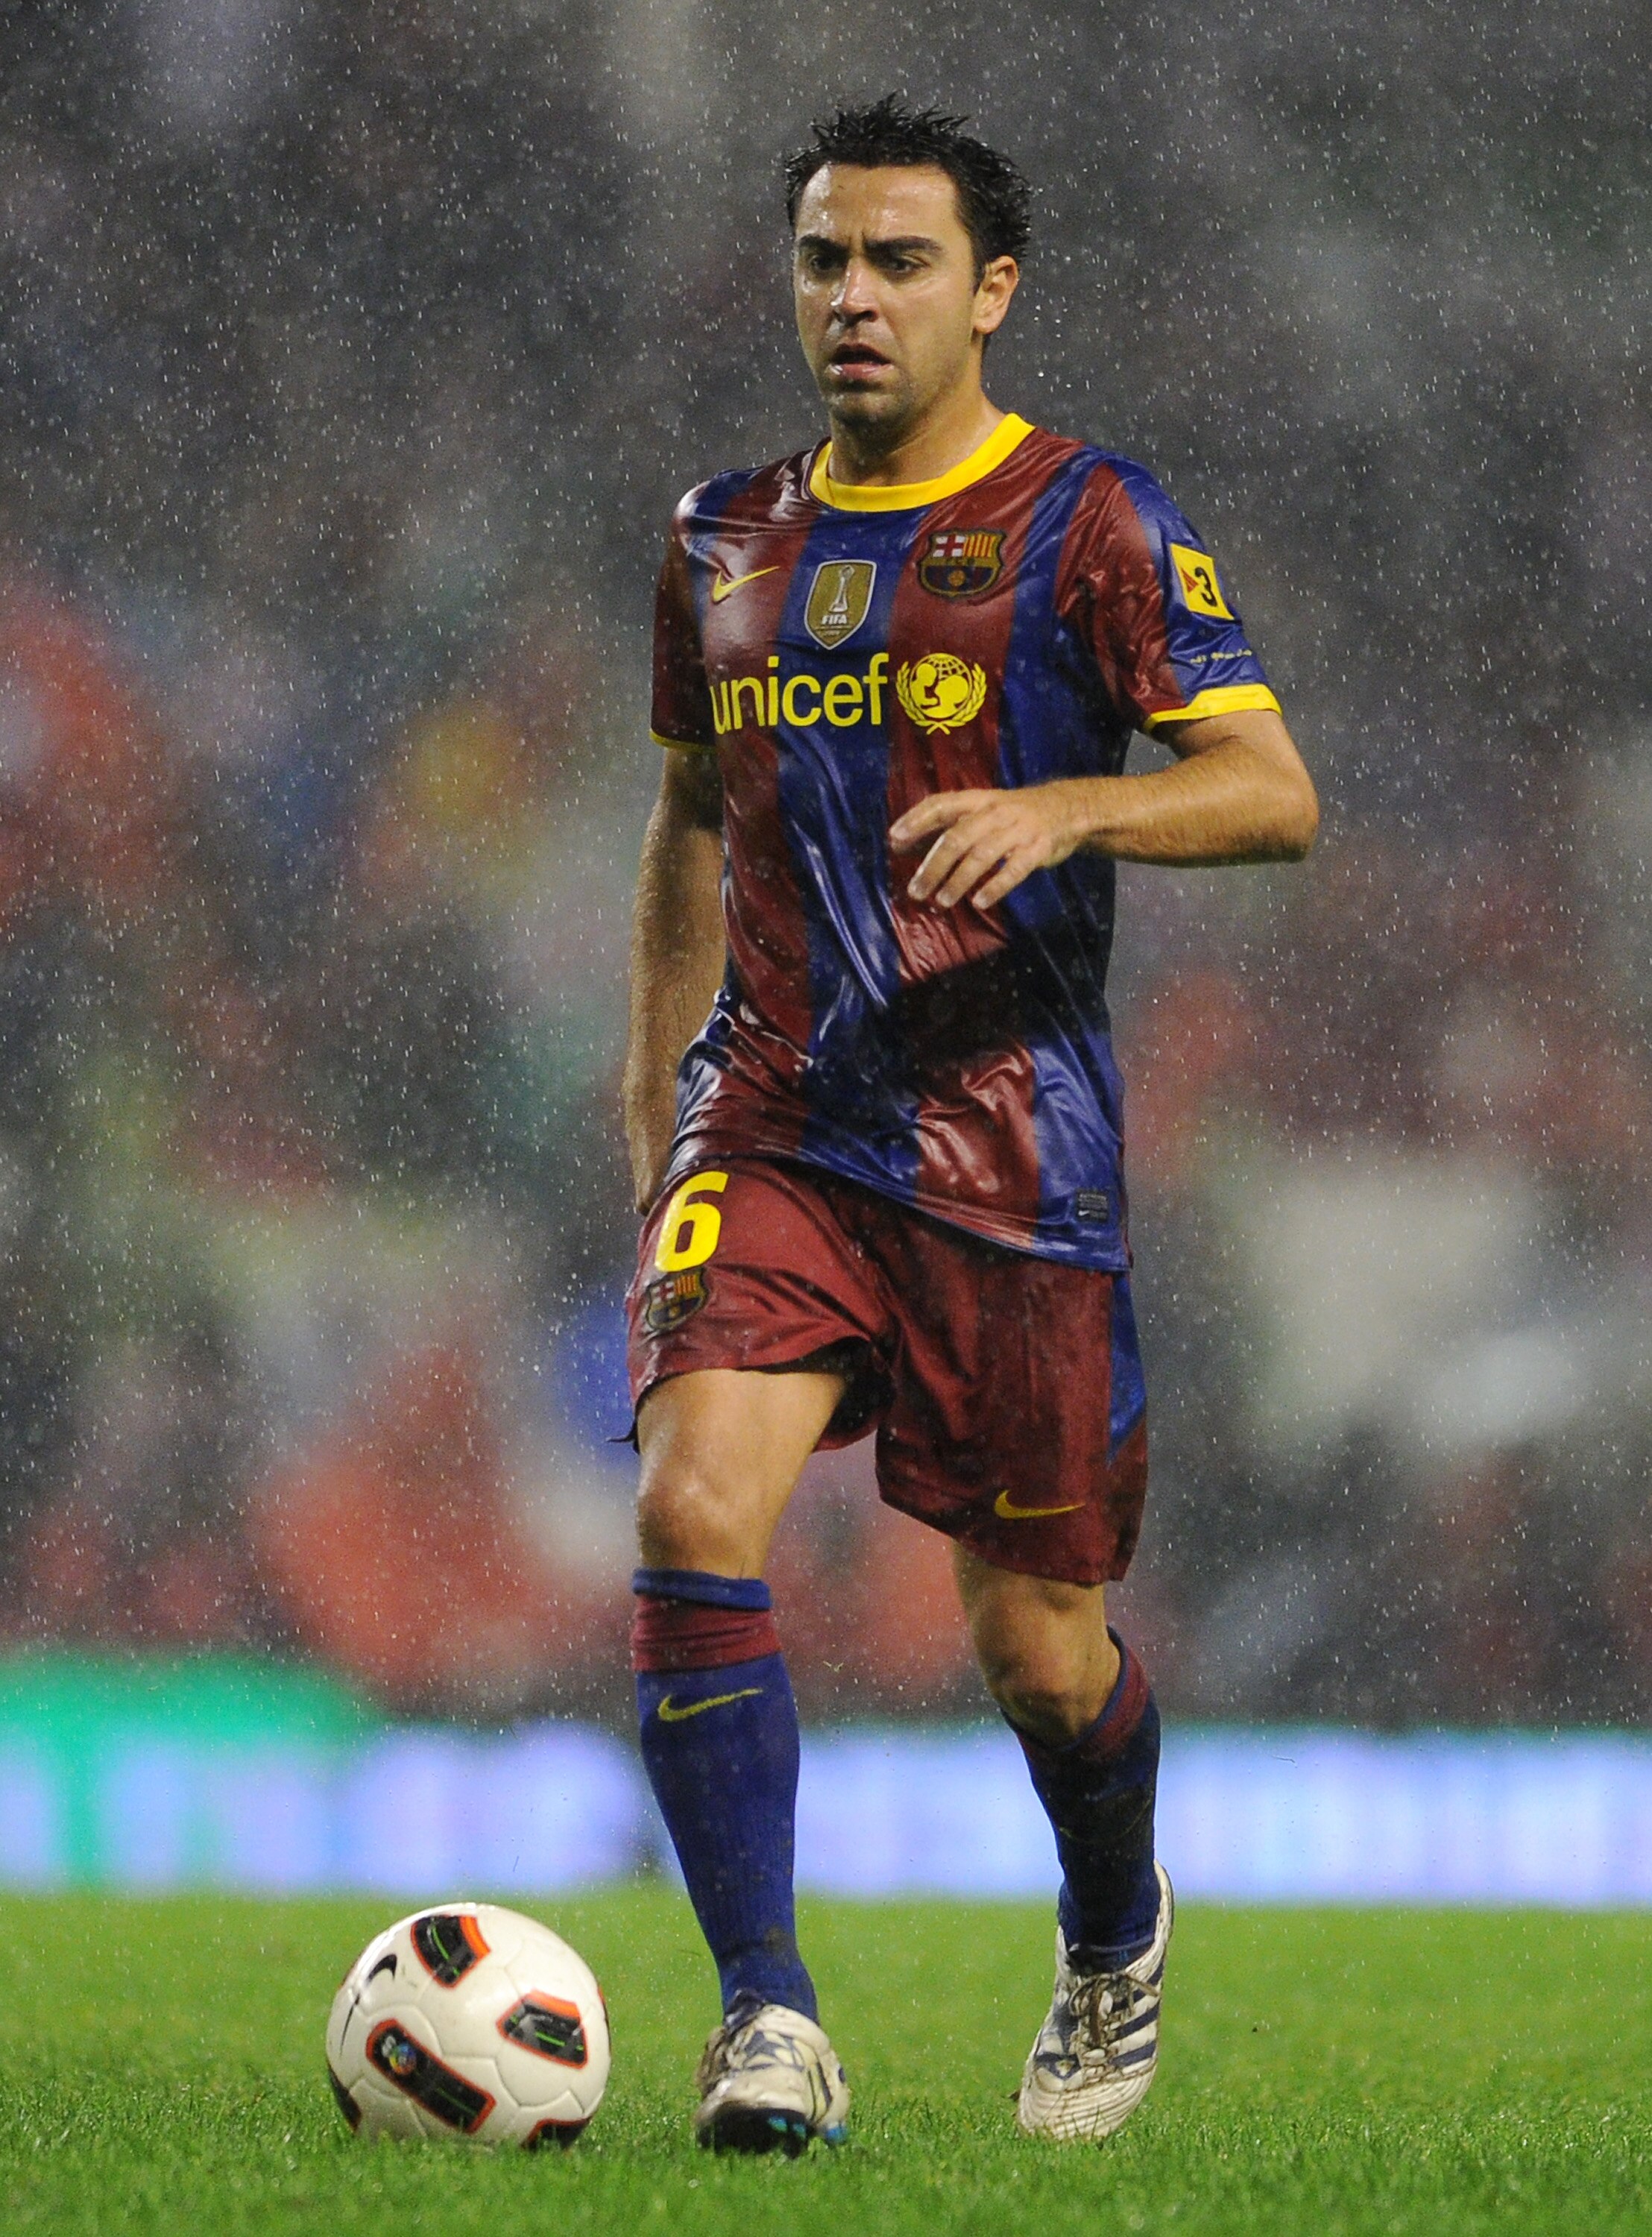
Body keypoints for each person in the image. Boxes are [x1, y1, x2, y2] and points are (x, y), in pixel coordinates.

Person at [621, 95, 1317, 2155]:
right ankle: (768, 2021)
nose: (855, 296)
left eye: (902, 261)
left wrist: (1074, 808)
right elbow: (686, 821)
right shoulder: (719, 539)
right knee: (689, 1510)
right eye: (825, 258)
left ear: (991, 291)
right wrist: (657, 1119)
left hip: (1009, 1147)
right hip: (775, 1117)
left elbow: (1272, 790)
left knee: (1038, 1651)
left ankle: (1112, 1929)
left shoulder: (1090, 521)